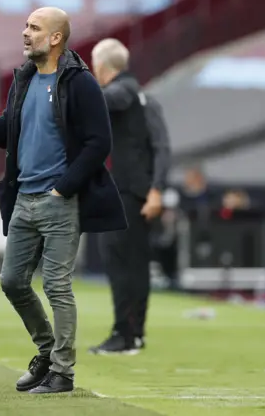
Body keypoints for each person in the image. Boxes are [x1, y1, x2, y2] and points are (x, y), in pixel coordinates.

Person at [0, 7, 127, 394]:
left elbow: (99, 143)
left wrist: (64, 187)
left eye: (34, 28)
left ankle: (62, 373)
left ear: (56, 38)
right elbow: (4, 133)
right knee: (12, 282)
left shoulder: (80, 83)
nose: (25, 33)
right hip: (24, 199)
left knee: (57, 285)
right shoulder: (24, 80)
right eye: (26, 25)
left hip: (60, 201)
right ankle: (46, 352)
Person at [89, 38, 171, 354]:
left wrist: (156, 190)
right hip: (135, 193)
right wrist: (156, 189)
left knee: (121, 263)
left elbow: (160, 148)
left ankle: (125, 334)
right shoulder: (145, 99)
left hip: (128, 193)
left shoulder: (123, 93)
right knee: (133, 265)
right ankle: (133, 334)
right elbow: (160, 148)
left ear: (101, 66)